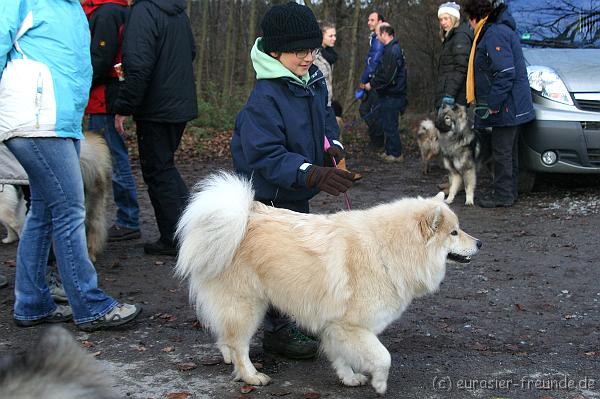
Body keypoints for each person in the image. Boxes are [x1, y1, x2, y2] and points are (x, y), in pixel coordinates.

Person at [0, 0, 141, 330]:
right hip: (35, 119)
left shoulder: (73, 9)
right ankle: (89, 303)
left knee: (46, 211)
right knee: (69, 209)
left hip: (59, 121)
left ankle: (32, 302)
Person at [231, 2, 354, 360]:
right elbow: (266, 156)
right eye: (299, 51)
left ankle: (294, 317)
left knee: (298, 257)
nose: (308, 57)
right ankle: (277, 330)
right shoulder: (264, 98)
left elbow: (326, 120)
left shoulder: (312, 81)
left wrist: (333, 148)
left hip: (297, 191)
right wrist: (311, 172)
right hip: (267, 196)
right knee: (273, 262)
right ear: (274, 51)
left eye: (312, 49)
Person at [113, 0, 198, 255]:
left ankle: (177, 237)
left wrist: (124, 105)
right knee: (164, 168)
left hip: (156, 106)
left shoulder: (143, 11)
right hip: (178, 102)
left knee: (158, 171)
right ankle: (185, 231)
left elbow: (138, 64)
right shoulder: (178, 13)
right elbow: (191, 51)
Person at [463, 0, 534, 207]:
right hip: (513, 104)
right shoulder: (500, 30)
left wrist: (493, 103)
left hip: (507, 105)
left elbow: (504, 73)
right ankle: (509, 194)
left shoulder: (494, 33)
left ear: (476, 17)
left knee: (502, 151)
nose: (470, 26)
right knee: (509, 151)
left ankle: (503, 196)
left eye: (469, 21)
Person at [81, 0, 141, 242]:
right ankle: (127, 218)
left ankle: (128, 219)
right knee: (114, 159)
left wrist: (81, 82)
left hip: (104, 98)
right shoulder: (112, 10)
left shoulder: (106, 12)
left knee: (113, 161)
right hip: (104, 96)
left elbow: (102, 58)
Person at [313, 21, 362, 181]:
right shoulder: (315, 57)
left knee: (332, 134)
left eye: (335, 35)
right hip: (319, 104)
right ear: (321, 37)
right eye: (331, 35)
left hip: (327, 102)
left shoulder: (328, 55)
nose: (334, 38)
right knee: (331, 133)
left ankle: (339, 171)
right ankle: (338, 172)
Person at [365, 23, 408, 163]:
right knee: (386, 123)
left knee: (390, 125)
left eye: (378, 35)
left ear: (384, 34)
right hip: (388, 94)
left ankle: (396, 153)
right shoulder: (389, 49)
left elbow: (388, 76)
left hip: (392, 94)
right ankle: (390, 151)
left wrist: (372, 84)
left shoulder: (393, 51)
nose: (377, 38)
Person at [436, 2, 473, 108]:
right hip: (450, 93)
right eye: (441, 19)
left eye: (446, 18)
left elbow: (461, 68)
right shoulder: (450, 37)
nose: (443, 22)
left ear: (454, 18)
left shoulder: (459, 36)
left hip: (456, 97)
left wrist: (450, 94)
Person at [358, 11, 386, 149]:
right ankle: (377, 139)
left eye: (372, 20)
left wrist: (364, 80)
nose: (369, 22)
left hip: (375, 82)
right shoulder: (374, 37)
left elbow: (373, 62)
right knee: (366, 110)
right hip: (372, 80)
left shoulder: (379, 39)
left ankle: (379, 141)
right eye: (368, 20)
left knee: (369, 111)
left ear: (380, 22)